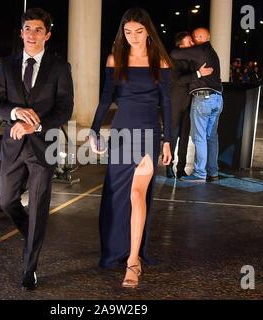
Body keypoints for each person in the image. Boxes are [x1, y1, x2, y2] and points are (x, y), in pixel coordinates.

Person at [0, 8, 74, 290]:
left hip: (42, 147)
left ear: (47, 34)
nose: (32, 35)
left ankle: (29, 268)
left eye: (38, 30)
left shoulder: (60, 67)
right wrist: (14, 112)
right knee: (5, 201)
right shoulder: (8, 65)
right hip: (12, 147)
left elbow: (64, 109)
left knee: (38, 206)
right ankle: (31, 233)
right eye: (27, 29)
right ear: (21, 33)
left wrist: (35, 126)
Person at [89, 7, 172, 288]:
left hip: (149, 132)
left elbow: (167, 104)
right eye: (128, 32)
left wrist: (168, 139)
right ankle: (116, 250)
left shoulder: (159, 60)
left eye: (138, 31)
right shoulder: (116, 58)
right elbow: (105, 98)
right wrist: (93, 130)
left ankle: (133, 261)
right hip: (122, 132)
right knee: (117, 195)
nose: (133, 37)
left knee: (137, 194)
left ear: (148, 30)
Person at [169, 27, 223, 182]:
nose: (192, 42)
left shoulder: (199, 50)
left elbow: (174, 52)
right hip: (215, 99)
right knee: (211, 137)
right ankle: (213, 172)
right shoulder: (211, 52)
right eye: (189, 40)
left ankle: (199, 173)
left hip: (203, 100)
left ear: (200, 37)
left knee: (199, 138)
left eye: (193, 38)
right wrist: (198, 73)